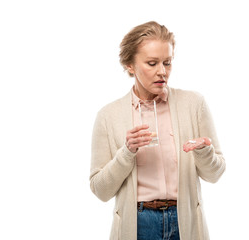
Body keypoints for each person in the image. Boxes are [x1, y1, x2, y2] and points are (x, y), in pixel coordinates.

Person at [89, 21, 226, 240]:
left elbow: (215, 174)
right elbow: (100, 190)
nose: (162, 72)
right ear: (130, 65)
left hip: (185, 219)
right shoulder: (108, 116)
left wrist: (203, 152)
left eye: (167, 62)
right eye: (152, 63)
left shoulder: (194, 104)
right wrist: (127, 152)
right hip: (139, 223)